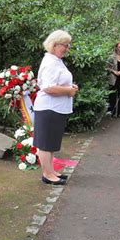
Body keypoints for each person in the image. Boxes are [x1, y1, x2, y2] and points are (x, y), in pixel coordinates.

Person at [33, 30, 78, 185]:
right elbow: (48, 87)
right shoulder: (50, 62)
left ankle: (51, 171)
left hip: (56, 108)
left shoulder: (56, 60)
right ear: (54, 44)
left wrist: (69, 87)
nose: (66, 48)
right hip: (48, 108)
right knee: (45, 144)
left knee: (51, 143)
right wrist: (68, 90)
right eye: (64, 45)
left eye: (67, 45)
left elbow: (58, 82)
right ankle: (47, 174)